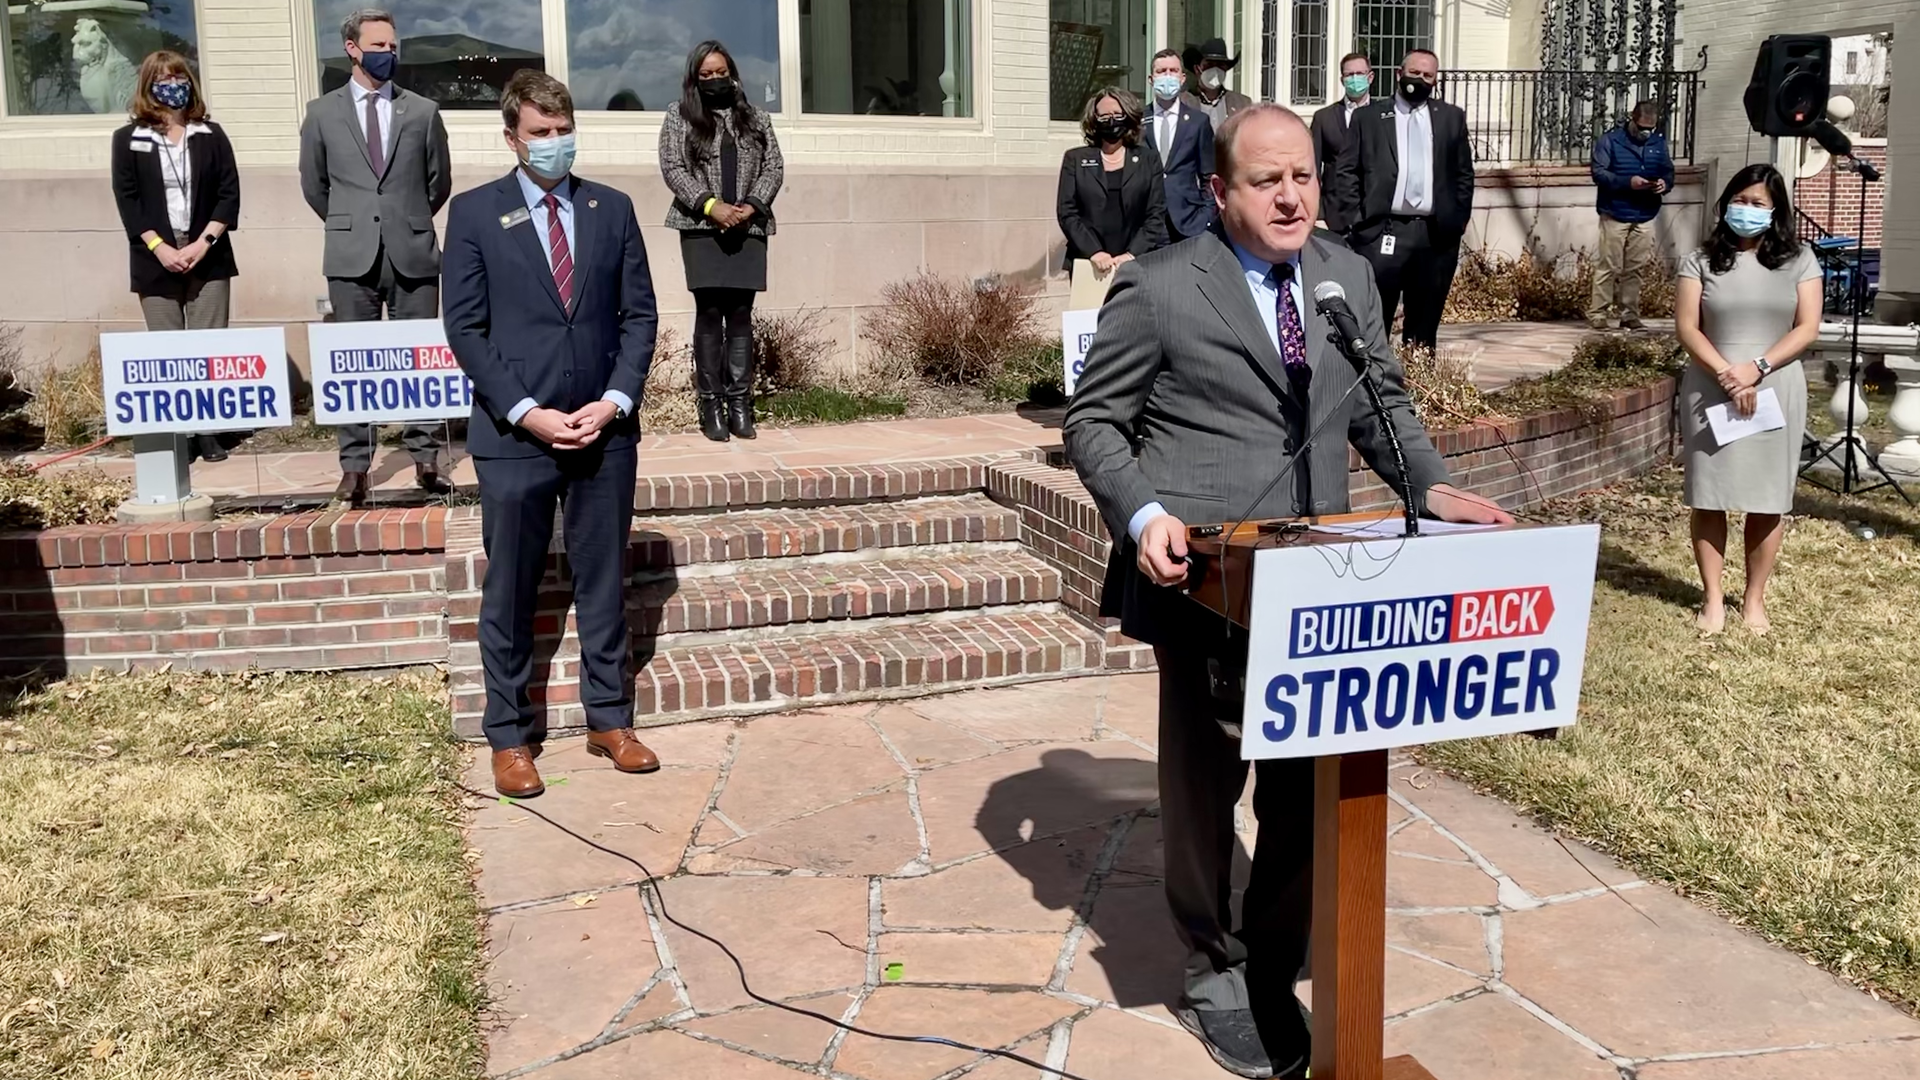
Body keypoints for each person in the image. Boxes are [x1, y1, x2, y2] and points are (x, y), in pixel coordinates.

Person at [1062, 104, 1511, 1079]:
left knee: (1312, 784)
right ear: (1219, 192)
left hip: (1324, 581)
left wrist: (1430, 487)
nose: (1291, 195)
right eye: (1266, 181)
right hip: (1206, 578)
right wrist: (1144, 518)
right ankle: (1215, 962)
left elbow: (1382, 402)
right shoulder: (1162, 286)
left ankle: (1276, 944)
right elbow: (1095, 421)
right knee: (1204, 781)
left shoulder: (1346, 276)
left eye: (1303, 176)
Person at [442, 70, 662, 797]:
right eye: (539, 133)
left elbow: (639, 316)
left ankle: (610, 719)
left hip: (603, 433)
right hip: (517, 438)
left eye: (563, 129)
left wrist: (617, 399)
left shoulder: (612, 209)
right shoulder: (475, 214)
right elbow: (466, 330)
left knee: (603, 581)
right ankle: (509, 735)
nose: (554, 143)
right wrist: (526, 410)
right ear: (512, 138)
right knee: (508, 587)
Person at [299, 7, 454, 508]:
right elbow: (314, 185)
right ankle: (355, 466)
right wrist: (353, 221)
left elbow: (438, 183)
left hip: (412, 252)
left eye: (393, 45)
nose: (390, 53)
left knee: (418, 359)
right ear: (352, 48)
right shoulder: (321, 113)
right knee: (355, 363)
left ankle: (426, 459)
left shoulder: (423, 112)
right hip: (351, 256)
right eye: (379, 45)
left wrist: (402, 218)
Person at [1673, 164, 1821, 636]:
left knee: (1767, 499)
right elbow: (1687, 326)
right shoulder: (1699, 260)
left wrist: (1756, 369)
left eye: (1758, 203)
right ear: (1726, 203)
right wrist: (1726, 373)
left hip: (1775, 388)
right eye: (1740, 200)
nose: (1747, 210)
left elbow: (1807, 327)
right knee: (1710, 496)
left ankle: (1754, 599)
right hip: (1710, 388)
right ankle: (1713, 597)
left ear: (1776, 210)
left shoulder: (1800, 261)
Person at [110, 50, 245, 464]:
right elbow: (128, 199)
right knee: (169, 350)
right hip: (155, 255)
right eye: (163, 78)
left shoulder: (211, 134)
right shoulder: (128, 138)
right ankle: (180, 434)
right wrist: (160, 247)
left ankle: (209, 432)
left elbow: (229, 192)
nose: (173, 84)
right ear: (148, 85)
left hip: (208, 249)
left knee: (207, 346)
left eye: (179, 76)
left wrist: (203, 243)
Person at [657, 40, 785, 443]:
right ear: (695, 79)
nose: (715, 79)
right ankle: (710, 405)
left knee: (742, 314)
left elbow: (774, 166)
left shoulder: (757, 118)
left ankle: (740, 404)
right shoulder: (679, 116)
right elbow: (672, 167)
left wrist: (750, 206)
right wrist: (711, 206)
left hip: (749, 228)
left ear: (732, 73)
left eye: (720, 72)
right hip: (701, 228)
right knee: (710, 312)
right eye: (706, 74)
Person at [1332, 48, 1475, 351]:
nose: (1420, 80)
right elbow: (1346, 172)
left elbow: (1464, 175)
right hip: (1382, 233)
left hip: (1434, 238)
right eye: (1414, 73)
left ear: (1435, 80)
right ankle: (1373, 390)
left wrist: (1458, 221)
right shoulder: (1368, 117)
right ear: (1399, 74)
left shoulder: (1451, 118)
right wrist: (1355, 221)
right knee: (1373, 323)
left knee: (1423, 327)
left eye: (1428, 75)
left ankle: (1418, 387)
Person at [1058, 88, 1168, 298]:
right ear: (1094, 119)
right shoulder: (1075, 159)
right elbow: (1067, 213)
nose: (1111, 121)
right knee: (1092, 327)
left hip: (1136, 261)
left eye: (1117, 115)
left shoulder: (1148, 160)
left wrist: (1131, 254)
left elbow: (1155, 213)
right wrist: (1094, 252)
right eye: (1104, 116)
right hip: (1089, 264)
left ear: (1128, 116)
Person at [1588, 100, 1674, 331]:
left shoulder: (1658, 143)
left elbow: (1668, 170)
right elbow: (1599, 173)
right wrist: (1628, 183)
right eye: (1642, 127)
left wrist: (1664, 184)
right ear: (1632, 120)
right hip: (1615, 212)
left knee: (1635, 268)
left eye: (1651, 128)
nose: (1646, 132)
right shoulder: (1610, 141)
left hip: (1645, 213)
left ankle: (1629, 315)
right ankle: (1598, 314)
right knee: (1609, 265)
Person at [1145, 49, 1217, 243]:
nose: (1167, 76)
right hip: (1147, 224)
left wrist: (1206, 216)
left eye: (1173, 70)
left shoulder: (1198, 122)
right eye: (1161, 71)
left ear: (1182, 78)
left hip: (1188, 222)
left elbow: (1208, 175)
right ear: (1151, 79)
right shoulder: (1139, 121)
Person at [1309, 52, 1374, 233]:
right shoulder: (1324, 118)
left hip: (1372, 212)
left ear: (1370, 77)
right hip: (1333, 212)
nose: (1355, 79)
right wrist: (1318, 212)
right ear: (1342, 79)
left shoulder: (1383, 116)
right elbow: (1312, 168)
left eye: (1360, 74)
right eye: (1349, 75)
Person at [1185, 37, 1252, 133]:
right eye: (1209, 64)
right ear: (1197, 69)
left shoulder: (1242, 104)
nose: (1215, 70)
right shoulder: (1182, 102)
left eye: (1220, 65)